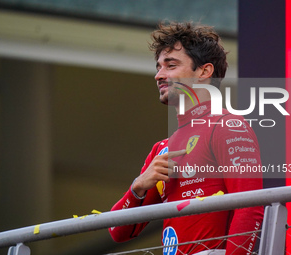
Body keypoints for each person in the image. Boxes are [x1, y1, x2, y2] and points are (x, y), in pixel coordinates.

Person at [109, 22, 264, 255]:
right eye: (159, 67)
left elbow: (250, 208)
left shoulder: (227, 126)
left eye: (170, 66)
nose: (159, 75)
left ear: (204, 71)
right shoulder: (162, 148)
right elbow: (118, 233)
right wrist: (138, 186)